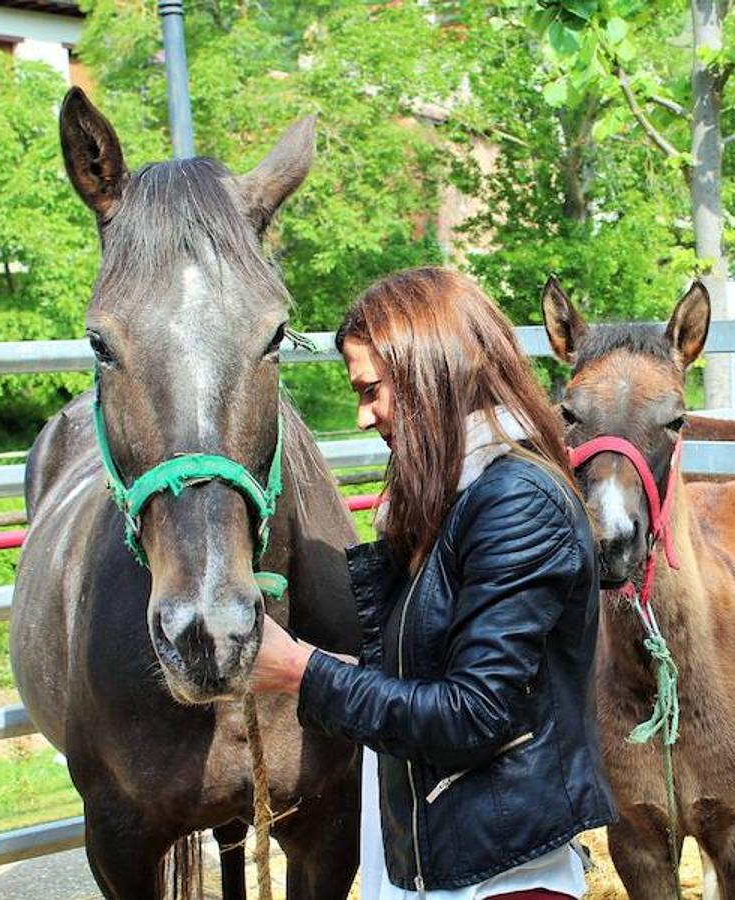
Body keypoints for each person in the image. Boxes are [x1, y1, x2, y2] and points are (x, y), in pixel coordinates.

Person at [250, 267, 615, 899]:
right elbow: (433, 676)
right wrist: (340, 669)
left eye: (372, 391)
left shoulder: (515, 503)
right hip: (443, 861)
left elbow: (474, 714)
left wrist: (304, 673)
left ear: (432, 371)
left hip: (498, 879)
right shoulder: (453, 501)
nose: (364, 417)